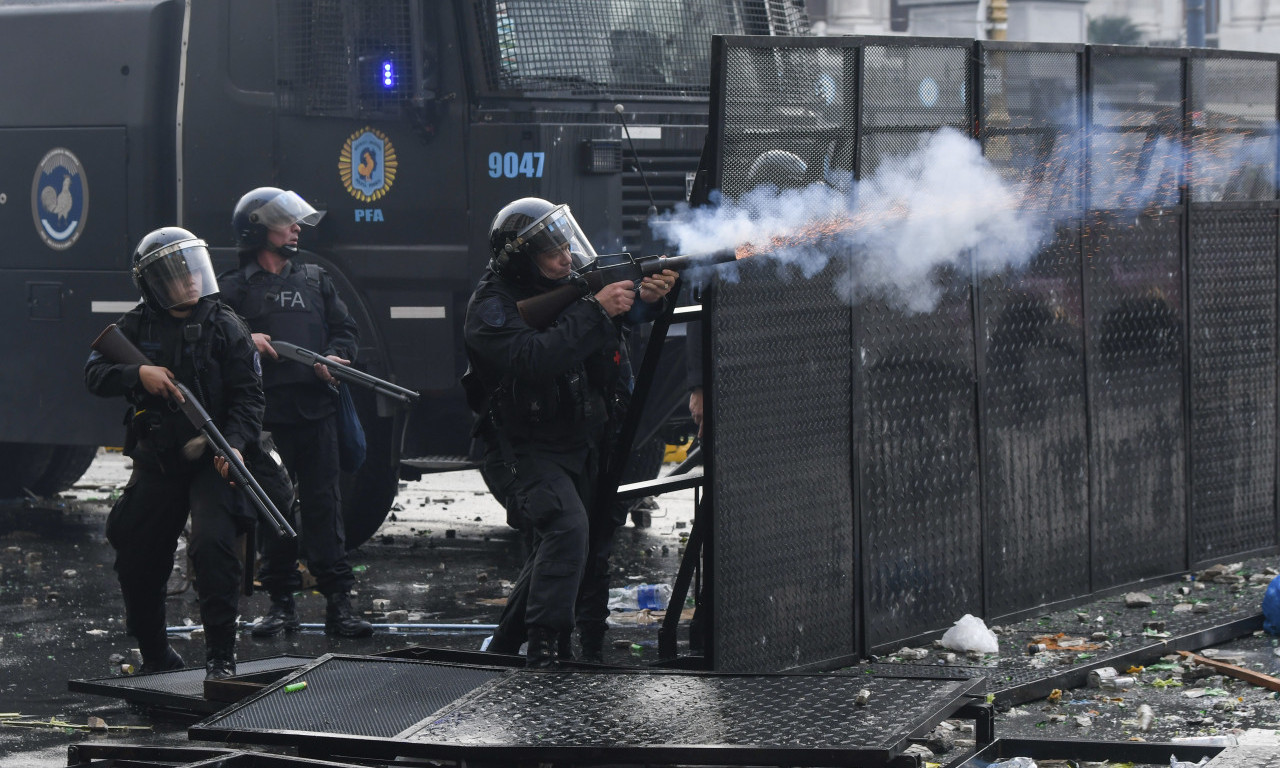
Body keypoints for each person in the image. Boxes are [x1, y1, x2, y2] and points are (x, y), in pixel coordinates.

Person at [463, 197, 677, 667]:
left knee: (581, 544)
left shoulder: (571, 286)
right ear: (521, 258)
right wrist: (598, 310)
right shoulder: (492, 308)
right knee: (566, 527)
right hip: (526, 447)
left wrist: (642, 303)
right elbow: (535, 358)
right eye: (551, 251)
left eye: (565, 244)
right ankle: (546, 650)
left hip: (584, 438)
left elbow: (604, 333)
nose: (565, 256)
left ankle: (546, 647)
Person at [85, 227, 264, 679]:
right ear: (153, 284)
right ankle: (155, 654)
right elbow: (94, 374)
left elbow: (249, 397)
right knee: (137, 548)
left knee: (214, 547)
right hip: (159, 458)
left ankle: (221, 658)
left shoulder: (225, 324)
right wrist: (138, 373)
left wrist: (237, 446)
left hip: (214, 458)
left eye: (192, 270)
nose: (189, 281)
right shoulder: (137, 325)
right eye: (177, 274)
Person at [218, 187, 373, 639]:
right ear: (257, 230)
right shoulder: (232, 289)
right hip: (261, 417)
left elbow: (346, 332)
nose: (296, 229)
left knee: (325, 505)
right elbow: (212, 347)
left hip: (314, 409)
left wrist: (334, 359)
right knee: (276, 509)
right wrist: (250, 340)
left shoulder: (316, 279)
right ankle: (281, 605)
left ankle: (338, 605)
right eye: (285, 222)